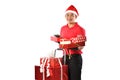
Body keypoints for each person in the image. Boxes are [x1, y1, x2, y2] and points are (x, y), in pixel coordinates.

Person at [60, 5, 86, 80]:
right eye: (67, 15)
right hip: (64, 57)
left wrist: (73, 45)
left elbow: (81, 46)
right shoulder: (63, 28)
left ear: (76, 16)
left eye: (72, 15)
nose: (69, 17)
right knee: (64, 78)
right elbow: (61, 42)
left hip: (74, 58)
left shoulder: (80, 29)